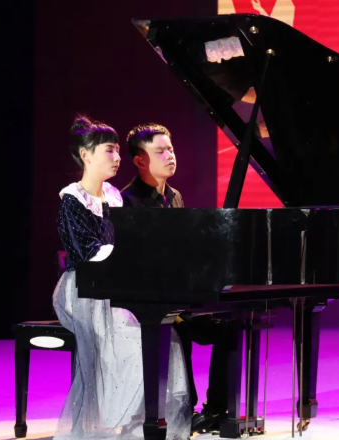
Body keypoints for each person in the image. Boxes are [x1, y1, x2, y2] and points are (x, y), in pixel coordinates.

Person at [52, 116, 191, 440]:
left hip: (115, 284)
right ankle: (119, 419)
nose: (117, 158)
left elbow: (127, 243)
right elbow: (87, 252)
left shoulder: (115, 196)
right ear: (86, 155)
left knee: (162, 335)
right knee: (131, 339)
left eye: (117, 150)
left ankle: (143, 418)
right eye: (109, 151)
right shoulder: (72, 199)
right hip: (84, 289)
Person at [121, 123, 235, 433]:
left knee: (231, 326)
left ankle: (215, 410)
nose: (170, 155)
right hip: (147, 300)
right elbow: (133, 263)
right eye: (160, 151)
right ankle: (183, 409)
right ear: (140, 160)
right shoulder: (127, 201)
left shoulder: (175, 196)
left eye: (170, 149)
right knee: (177, 327)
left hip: (179, 296)